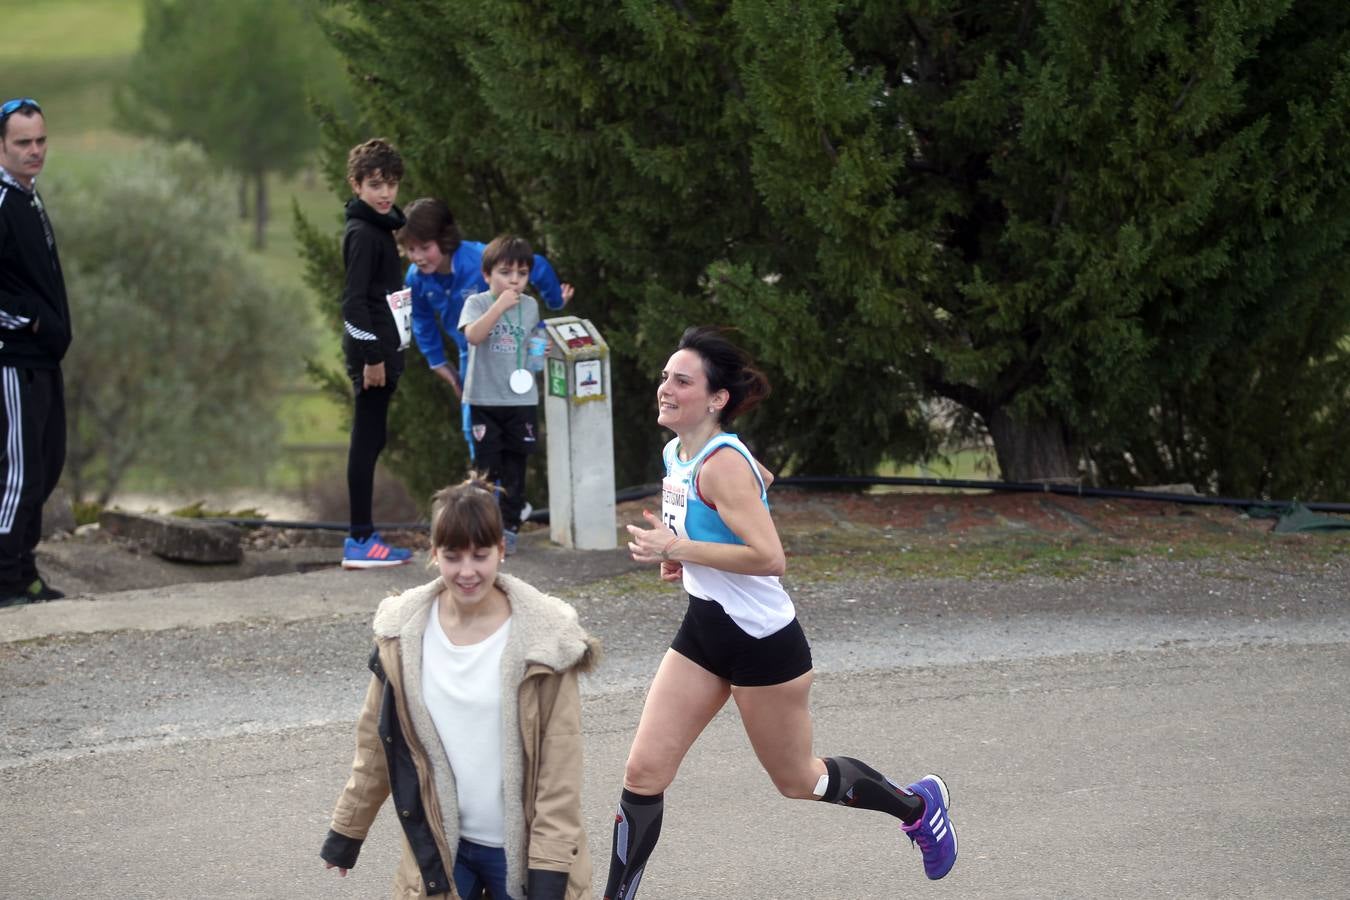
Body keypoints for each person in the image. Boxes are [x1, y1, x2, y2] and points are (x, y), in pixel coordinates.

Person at [604, 326, 958, 898]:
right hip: (704, 629)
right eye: (666, 377)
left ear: (716, 399)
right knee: (643, 774)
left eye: (681, 380)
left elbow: (770, 557)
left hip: (762, 644)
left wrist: (679, 549)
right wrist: (685, 557)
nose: (665, 388)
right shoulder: (679, 451)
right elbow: (757, 480)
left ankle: (918, 806)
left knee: (797, 780)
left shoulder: (721, 463)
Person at [320, 476, 598, 899]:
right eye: (453, 556)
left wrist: (551, 870)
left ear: (502, 551)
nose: (467, 571)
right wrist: (347, 829)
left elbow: (559, 772)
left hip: (520, 851)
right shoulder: (402, 636)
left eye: (480, 555)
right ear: (433, 555)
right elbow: (376, 744)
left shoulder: (545, 642)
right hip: (443, 847)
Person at [398, 198, 572, 466]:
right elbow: (420, 318)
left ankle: (510, 496)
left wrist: (554, 300)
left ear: (444, 240)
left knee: (514, 423)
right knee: (475, 423)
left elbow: (534, 263)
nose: (418, 257)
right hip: (472, 349)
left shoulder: (478, 260)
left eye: (425, 247)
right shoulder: (415, 277)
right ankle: (487, 493)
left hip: (514, 347)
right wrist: (437, 362)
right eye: (411, 249)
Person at [459, 236, 573, 555]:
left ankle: (508, 530)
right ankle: (479, 529)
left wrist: (541, 351)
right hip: (484, 400)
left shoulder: (531, 306)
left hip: (520, 402)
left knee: (515, 469)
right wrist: (499, 306)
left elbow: (531, 353)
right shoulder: (477, 303)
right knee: (485, 470)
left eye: (521, 274)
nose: (514, 280)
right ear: (486, 275)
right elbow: (473, 336)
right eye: (505, 272)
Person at [0, 98, 71, 608]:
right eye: (23, 142)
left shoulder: (27, 196)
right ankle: (5, 579)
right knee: (18, 472)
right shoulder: (2, 202)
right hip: (13, 358)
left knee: (46, 464)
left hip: (42, 358)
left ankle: (24, 573)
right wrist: (32, 320)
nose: (35, 151)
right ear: (1, 145)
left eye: (40, 140)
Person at [339, 138, 413, 570]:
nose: (385, 193)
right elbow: (353, 302)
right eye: (374, 185)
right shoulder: (364, 234)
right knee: (365, 442)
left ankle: (363, 535)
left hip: (384, 349)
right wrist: (371, 357)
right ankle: (360, 539)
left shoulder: (382, 229)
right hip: (373, 357)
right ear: (356, 185)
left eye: (391, 184)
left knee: (373, 438)